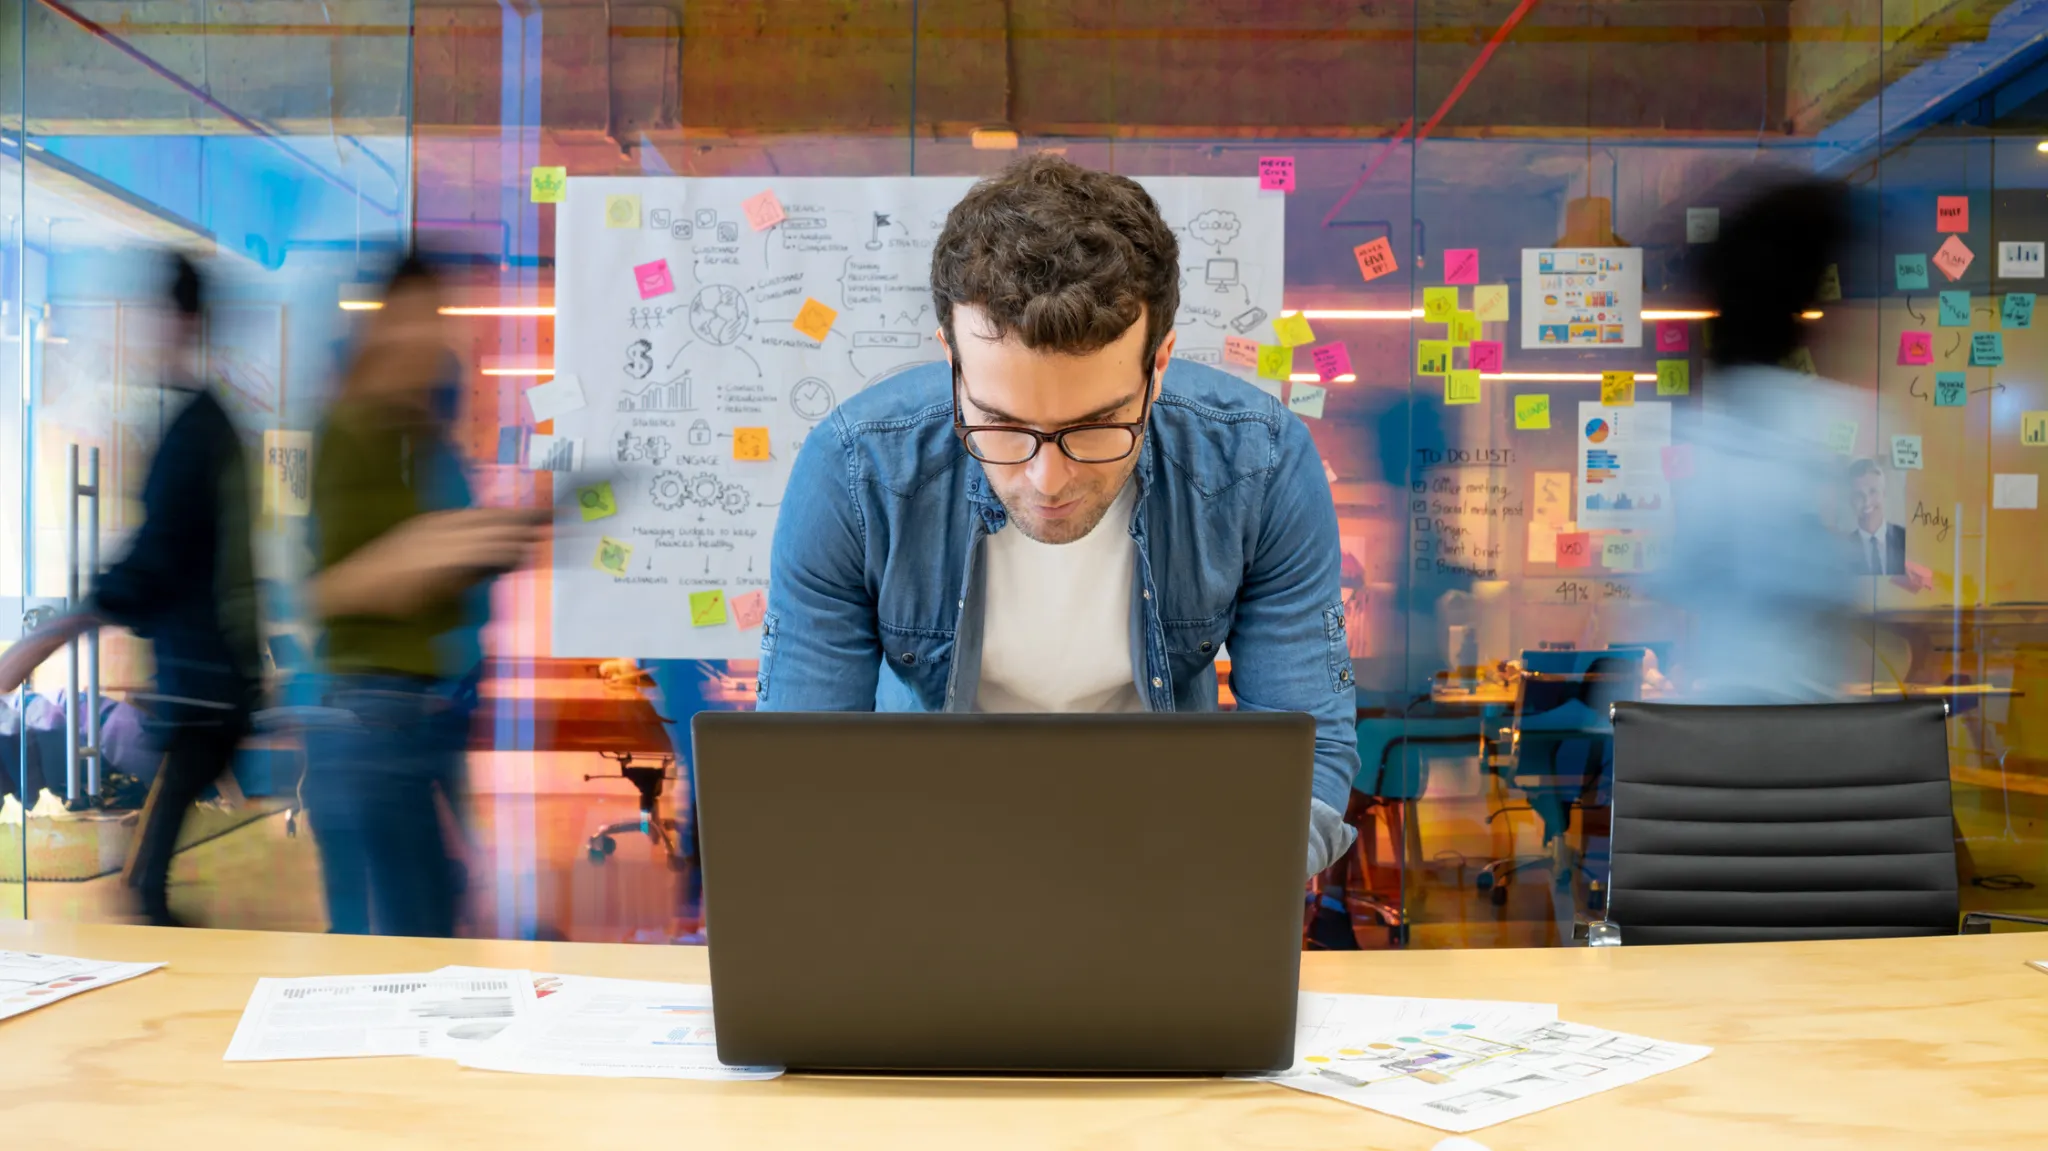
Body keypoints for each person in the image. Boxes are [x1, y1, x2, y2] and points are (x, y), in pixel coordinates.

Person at [758, 155, 1359, 876]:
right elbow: (805, 772)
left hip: (1171, 861)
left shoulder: (1259, 465)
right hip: (924, 861)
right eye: (1001, 424)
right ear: (952, 359)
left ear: (1159, 363)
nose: (1047, 479)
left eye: (1097, 425)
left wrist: (1232, 889)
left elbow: (1306, 750)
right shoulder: (855, 471)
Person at [0, 252, 260, 927]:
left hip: (204, 687)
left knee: (143, 883)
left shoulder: (197, 432)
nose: (138, 333)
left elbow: (155, 563)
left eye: (148, 316)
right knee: (144, 882)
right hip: (206, 682)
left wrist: (46, 635)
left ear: (180, 322)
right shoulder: (206, 426)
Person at [303, 255, 544, 936]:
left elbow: (437, 566)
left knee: (434, 937)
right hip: (372, 723)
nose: (433, 338)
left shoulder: (424, 438)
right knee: (391, 956)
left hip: (432, 714)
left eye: (440, 319)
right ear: (384, 325)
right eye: (419, 317)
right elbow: (333, 586)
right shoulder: (350, 431)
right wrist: (447, 546)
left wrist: (488, 542)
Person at [1650, 175, 1864, 703]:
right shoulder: (1827, 422)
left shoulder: (1703, 429)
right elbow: (1829, 585)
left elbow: (1679, 572)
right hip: (1802, 717)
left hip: (1724, 714)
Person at [1844, 458, 1906, 576]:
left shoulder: (1906, 540)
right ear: (1851, 501)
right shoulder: (1842, 550)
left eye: (1873, 491)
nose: (1867, 502)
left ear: (1884, 493)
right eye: (1859, 495)